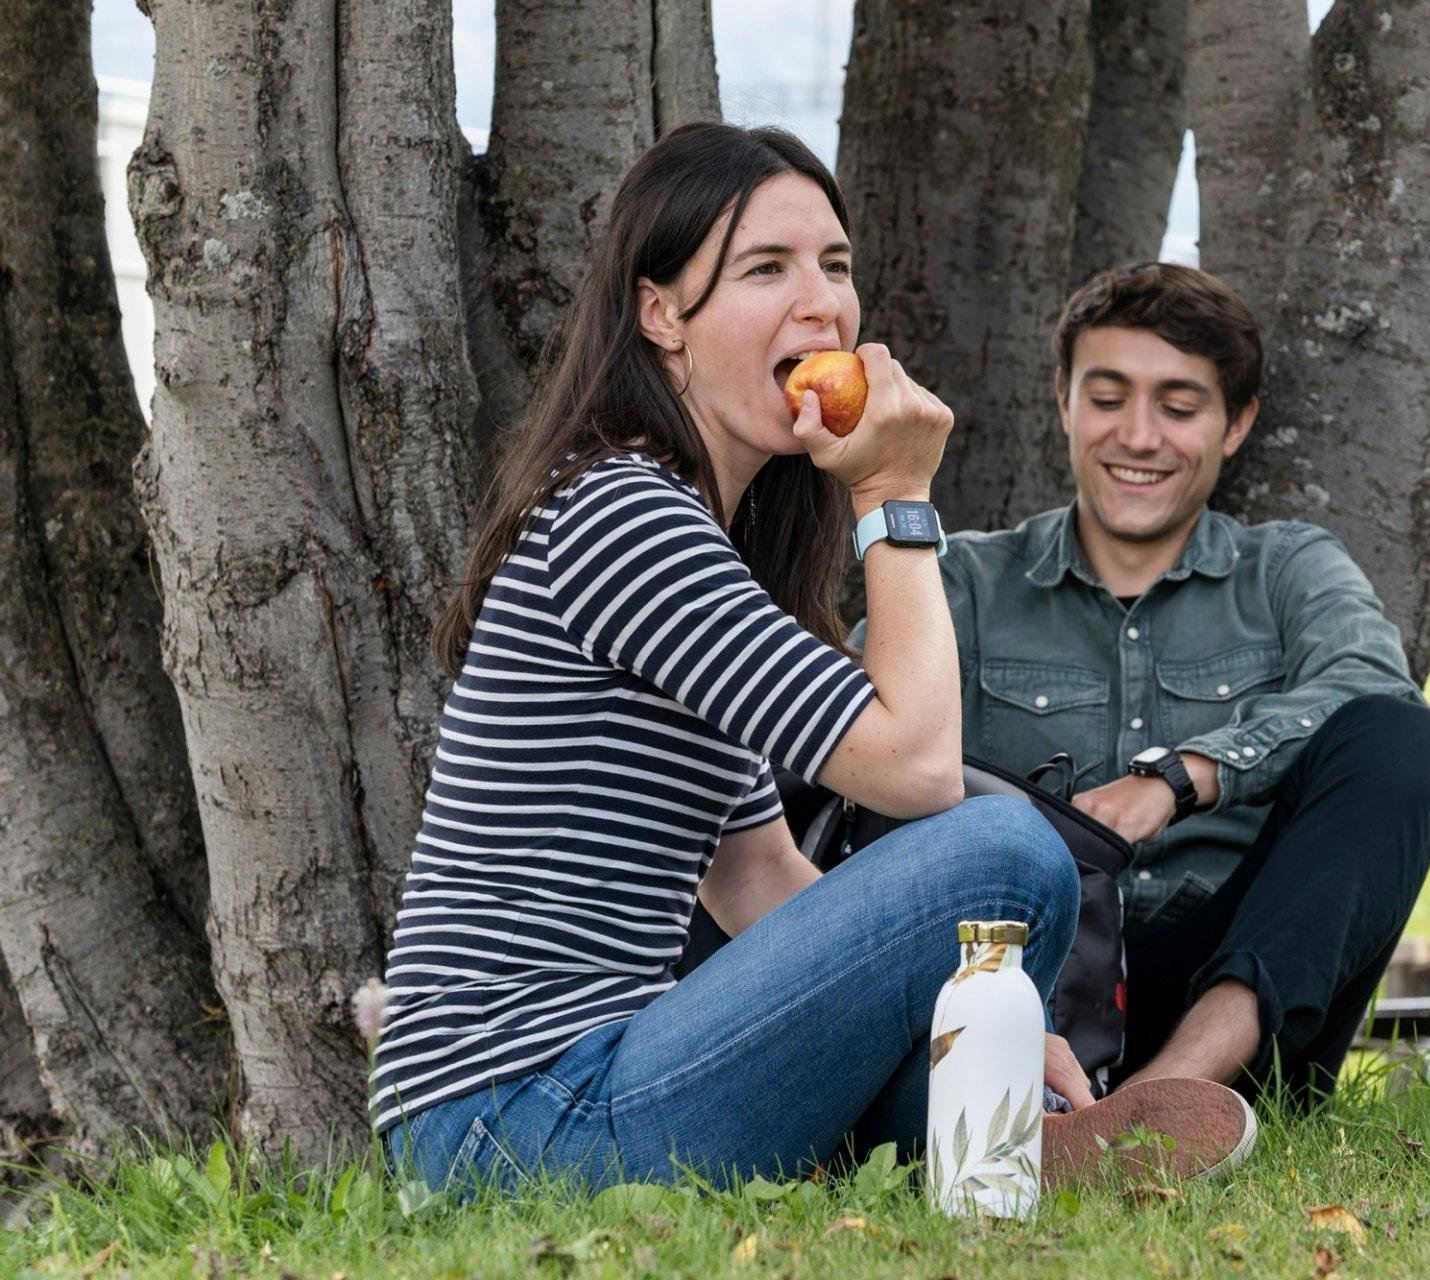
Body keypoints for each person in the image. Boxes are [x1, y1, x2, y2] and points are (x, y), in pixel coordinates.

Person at [372, 125, 1251, 1197]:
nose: (822, 304)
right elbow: (918, 772)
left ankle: (1008, 1139)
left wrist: (1004, 1027)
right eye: (766, 269)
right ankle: (991, 1143)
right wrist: (895, 496)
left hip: (566, 1098)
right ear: (661, 313)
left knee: (981, 916)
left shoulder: (690, 530)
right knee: (1008, 849)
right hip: (517, 1118)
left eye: (835, 265)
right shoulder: (621, 515)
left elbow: (758, 876)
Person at [854, 262, 1430, 1109]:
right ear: (1063, 401)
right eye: (1108, 399)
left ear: (1236, 424)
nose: (1139, 437)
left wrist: (1181, 778)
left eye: (1178, 409)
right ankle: (1080, 1110)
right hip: (1026, 987)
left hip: (1236, 990)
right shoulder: (965, 584)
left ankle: (1168, 1100)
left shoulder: (1288, 569)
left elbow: (1372, 686)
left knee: (1403, 738)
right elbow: (847, 743)